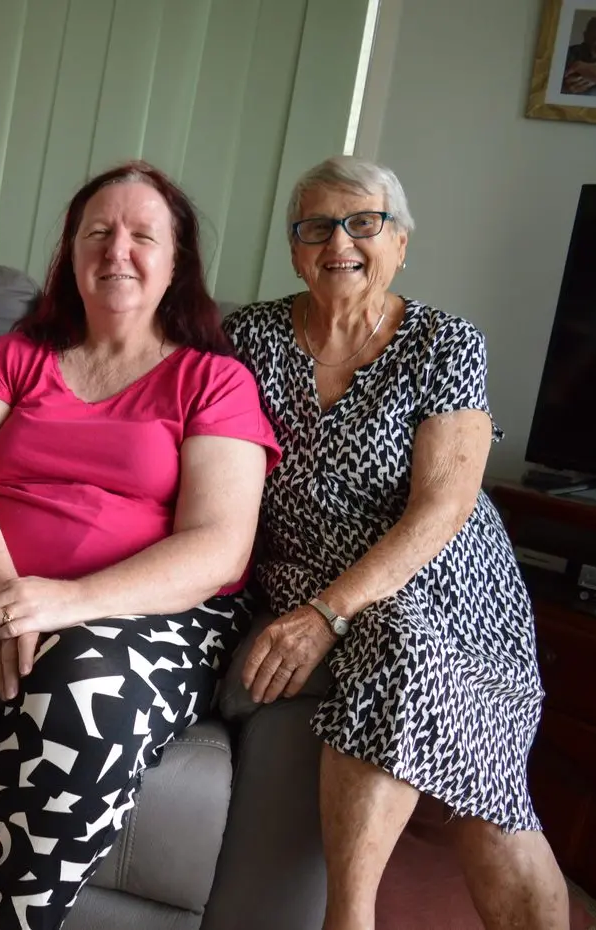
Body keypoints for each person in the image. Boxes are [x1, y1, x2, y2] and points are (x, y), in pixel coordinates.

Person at [0, 161, 280, 930]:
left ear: (177, 262)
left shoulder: (212, 381)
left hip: (151, 610)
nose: (116, 249)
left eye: (140, 235)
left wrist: (66, 602)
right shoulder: (15, 357)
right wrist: (5, 596)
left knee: (83, 687)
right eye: (97, 232)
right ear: (70, 252)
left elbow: (218, 546)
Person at [224, 155, 569, 930]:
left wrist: (326, 614)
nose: (337, 241)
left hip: (452, 585)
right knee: (478, 768)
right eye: (315, 226)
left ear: (400, 242)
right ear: (291, 248)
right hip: (306, 567)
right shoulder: (247, 337)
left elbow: (442, 508)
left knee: (401, 641)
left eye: (362, 222)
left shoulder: (445, 343)